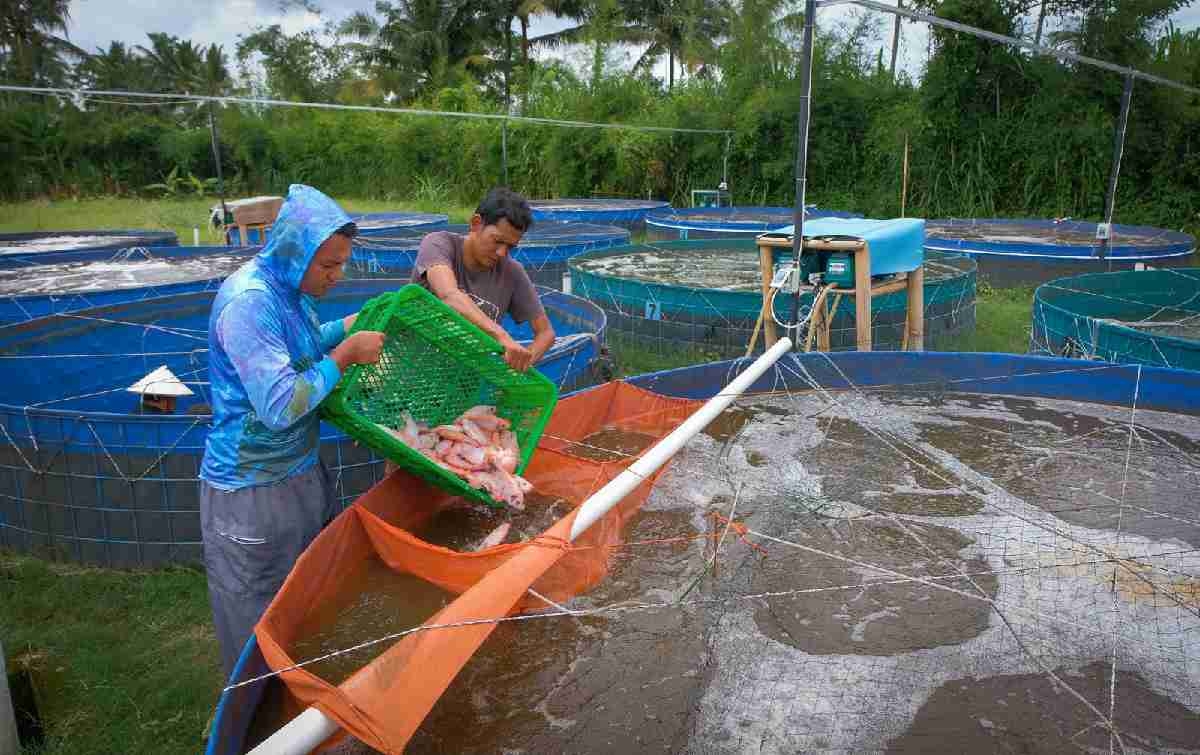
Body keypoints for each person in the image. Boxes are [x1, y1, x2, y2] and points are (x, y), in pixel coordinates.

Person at [199, 184, 385, 678]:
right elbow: (281, 403)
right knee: (256, 611)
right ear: (293, 251)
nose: (337, 275)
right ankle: (253, 721)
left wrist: (347, 326)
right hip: (252, 492)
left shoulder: (290, 290)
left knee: (303, 594)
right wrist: (345, 357)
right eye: (328, 266)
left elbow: (299, 352)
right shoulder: (249, 305)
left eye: (341, 263)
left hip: (299, 472)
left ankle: (300, 693)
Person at [413, 187, 555, 371]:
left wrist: (520, 364)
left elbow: (546, 333)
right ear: (476, 223)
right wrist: (501, 336)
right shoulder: (438, 244)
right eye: (497, 241)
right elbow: (449, 296)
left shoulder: (512, 272)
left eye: (511, 247)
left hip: (467, 377)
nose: (502, 253)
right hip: (413, 364)